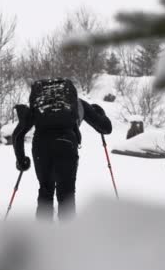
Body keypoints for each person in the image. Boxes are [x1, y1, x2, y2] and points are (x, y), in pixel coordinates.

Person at [12, 78, 112, 221]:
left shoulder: (39, 106)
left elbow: (18, 134)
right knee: (66, 196)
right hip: (66, 144)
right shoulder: (77, 104)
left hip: (41, 146)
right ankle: (68, 239)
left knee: (45, 192)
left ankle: (43, 237)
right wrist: (100, 113)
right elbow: (106, 128)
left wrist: (21, 160)